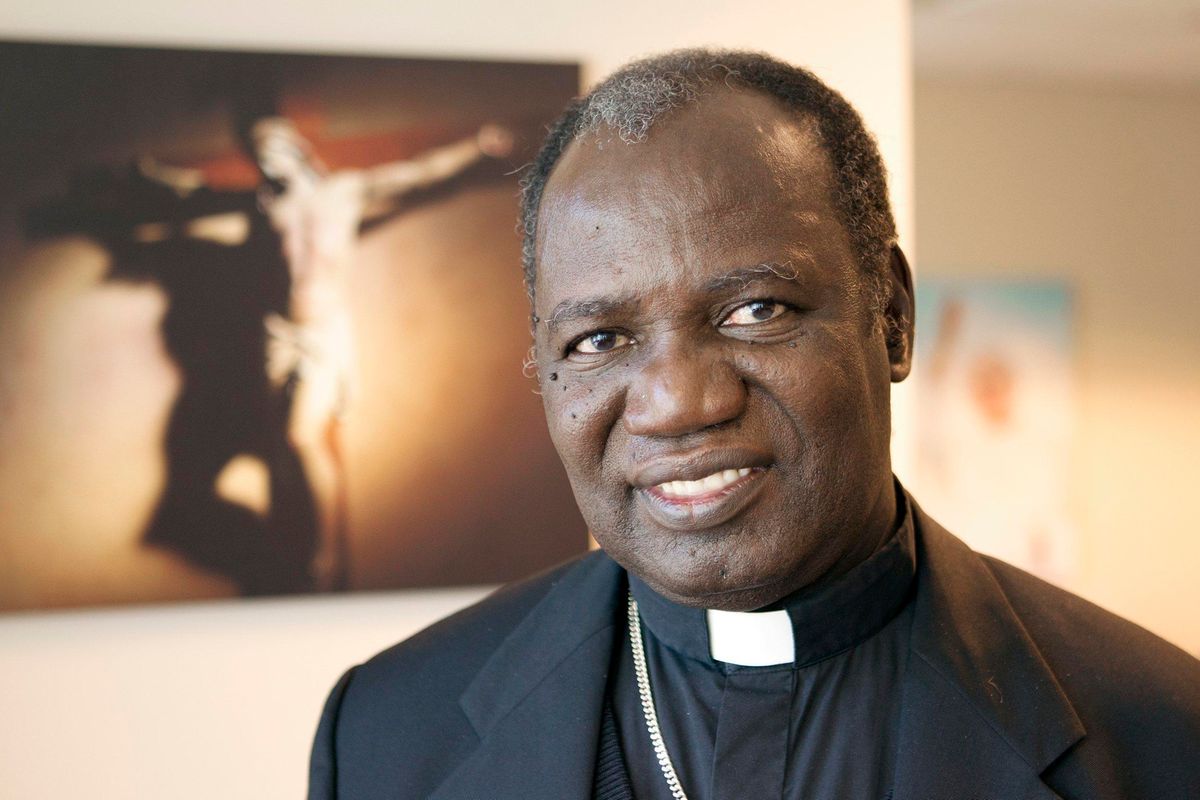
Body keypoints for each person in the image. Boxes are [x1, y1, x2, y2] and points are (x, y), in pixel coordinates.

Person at [307, 49, 1200, 800]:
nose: (678, 403)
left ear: (891, 317)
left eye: (756, 310)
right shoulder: (388, 736)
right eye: (600, 339)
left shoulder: (1162, 737)